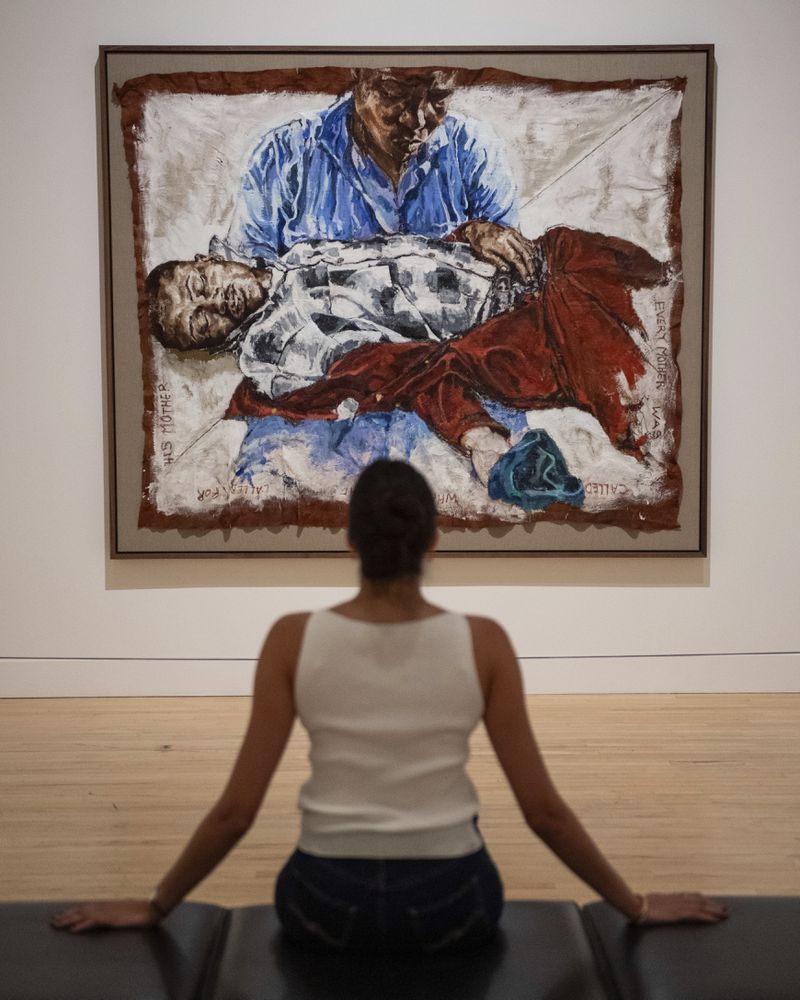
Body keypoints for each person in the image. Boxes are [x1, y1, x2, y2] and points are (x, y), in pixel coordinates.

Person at [51, 460, 728, 948]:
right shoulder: (483, 643)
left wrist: (157, 905)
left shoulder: (293, 639)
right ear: (434, 540)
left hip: (321, 903)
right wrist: (634, 905)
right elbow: (544, 813)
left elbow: (235, 813)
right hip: (454, 905)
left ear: (349, 541)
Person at [147, 227, 661, 488]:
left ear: (207, 260)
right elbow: (401, 372)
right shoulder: (274, 347)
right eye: (202, 321)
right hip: (523, 329)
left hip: (540, 263)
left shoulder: (295, 257)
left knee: (667, 293)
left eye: (201, 285)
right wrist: (474, 435)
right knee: (651, 390)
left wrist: (475, 233)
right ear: (212, 345)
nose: (216, 301)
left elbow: (407, 257)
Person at [224, 67, 538, 284]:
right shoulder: (284, 153)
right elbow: (241, 278)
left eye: (438, 97)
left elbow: (512, 284)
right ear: (357, 74)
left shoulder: (472, 148)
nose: (416, 120)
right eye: (392, 92)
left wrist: (476, 233)